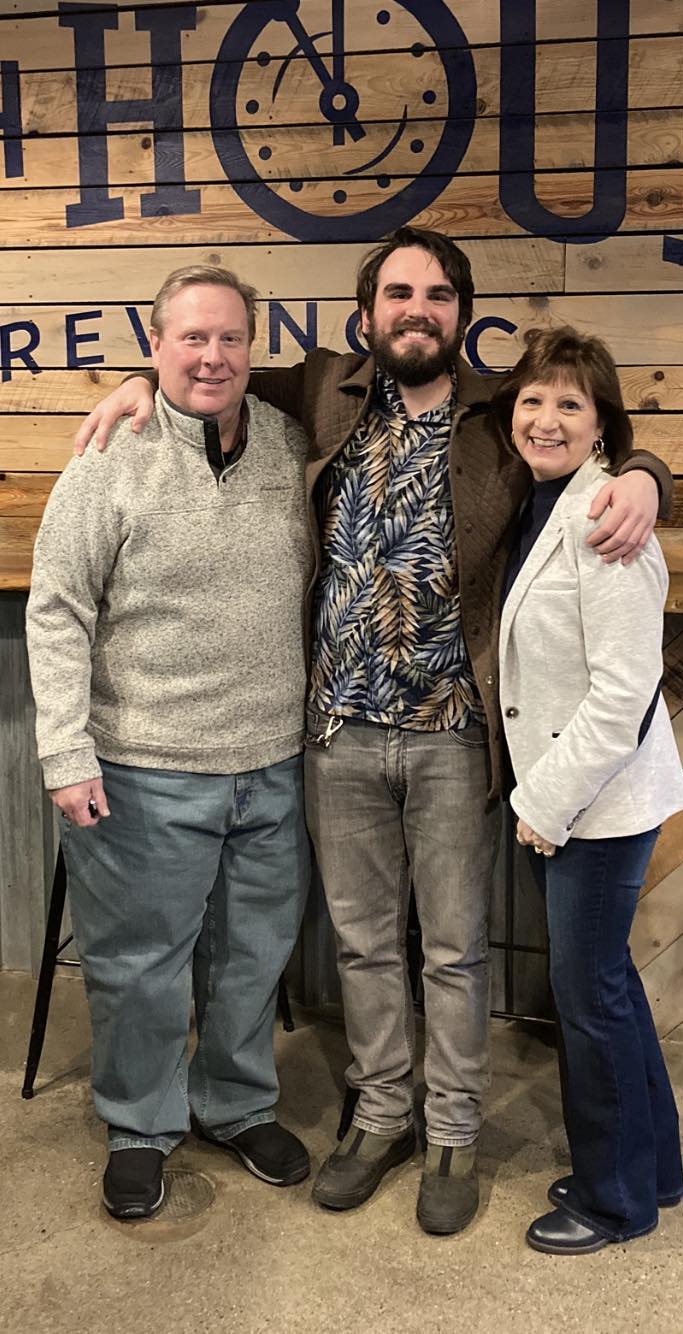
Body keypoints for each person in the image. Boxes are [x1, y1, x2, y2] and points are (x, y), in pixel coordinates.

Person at [73, 228, 673, 1236]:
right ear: (367, 314)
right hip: (337, 732)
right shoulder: (323, 388)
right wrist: (139, 381)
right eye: (399, 292)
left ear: (461, 314)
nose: (417, 310)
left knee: (454, 951)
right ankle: (382, 1115)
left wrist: (648, 473)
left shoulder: (502, 411)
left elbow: (596, 438)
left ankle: (453, 1132)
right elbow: (205, 372)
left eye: (438, 294)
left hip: (453, 734)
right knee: (361, 947)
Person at [26, 266, 313, 1221]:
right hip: (144, 768)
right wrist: (65, 753)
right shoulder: (112, 453)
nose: (212, 356)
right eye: (192, 338)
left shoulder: (289, 443)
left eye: (230, 338)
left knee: (251, 957)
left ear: (252, 349)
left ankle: (236, 1104)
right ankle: (140, 1124)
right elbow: (57, 609)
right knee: (140, 967)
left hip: (270, 763)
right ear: (155, 347)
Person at [493, 326, 683, 1255]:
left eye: (569, 403)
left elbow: (622, 696)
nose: (546, 417)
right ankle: (655, 1169)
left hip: (594, 807)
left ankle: (615, 1202)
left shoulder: (608, 520)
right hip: (575, 798)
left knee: (589, 999)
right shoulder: (539, 504)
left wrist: (544, 804)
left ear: (602, 422)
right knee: (607, 983)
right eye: (533, 399)